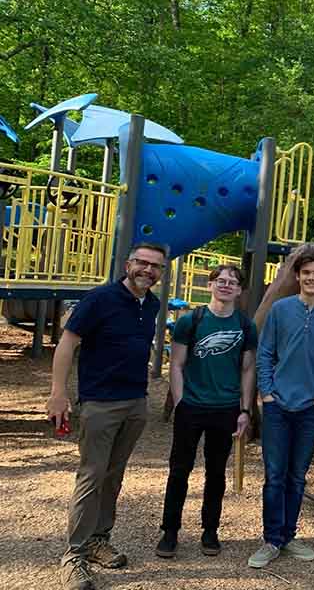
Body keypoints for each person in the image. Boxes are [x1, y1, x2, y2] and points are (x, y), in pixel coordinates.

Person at [46, 243, 167, 590]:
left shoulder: (152, 304)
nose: (148, 270)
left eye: (155, 266)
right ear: (128, 264)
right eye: (142, 263)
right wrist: (58, 393)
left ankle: (99, 538)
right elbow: (67, 343)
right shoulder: (100, 299)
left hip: (135, 403)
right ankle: (74, 556)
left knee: (114, 476)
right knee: (92, 476)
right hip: (100, 403)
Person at [248, 245, 314, 569]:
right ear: (298, 275)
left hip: (311, 407)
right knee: (274, 475)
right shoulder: (280, 310)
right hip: (278, 405)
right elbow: (265, 353)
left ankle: (288, 536)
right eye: (306, 273)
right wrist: (266, 392)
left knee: (297, 476)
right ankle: (271, 539)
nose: (311, 278)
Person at [155, 264, 257, 558]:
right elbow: (176, 363)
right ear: (211, 285)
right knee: (179, 470)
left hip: (226, 409)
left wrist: (245, 410)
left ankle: (210, 531)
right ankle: (170, 531)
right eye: (220, 280)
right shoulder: (191, 321)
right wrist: (180, 400)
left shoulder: (246, 326)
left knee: (216, 473)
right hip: (192, 407)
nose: (225, 285)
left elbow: (248, 369)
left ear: (239, 290)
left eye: (232, 282)